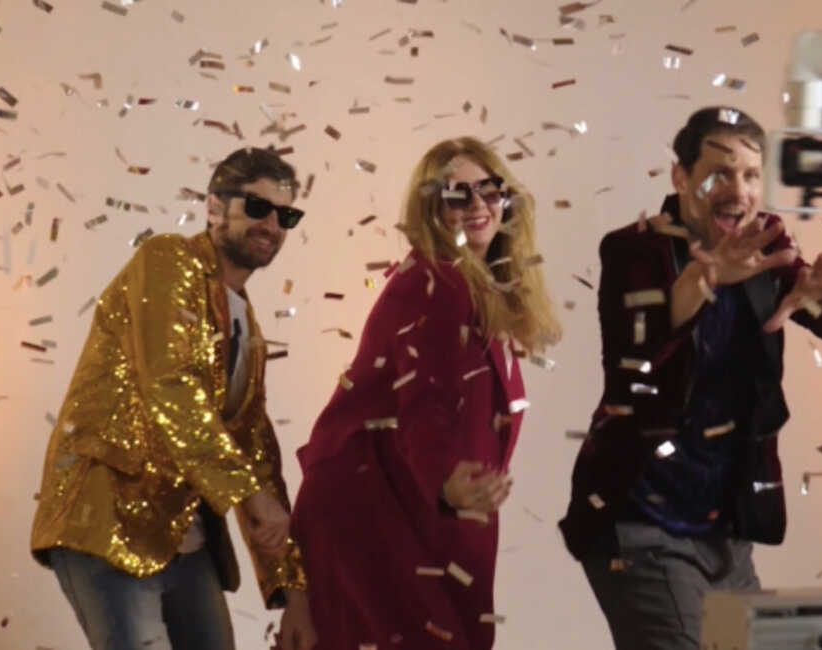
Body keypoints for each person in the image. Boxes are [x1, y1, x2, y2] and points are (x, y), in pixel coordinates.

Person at [558, 106, 822, 649]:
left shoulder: (765, 242)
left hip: (725, 531)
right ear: (681, 177)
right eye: (720, 173)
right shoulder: (634, 249)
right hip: (640, 521)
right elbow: (638, 354)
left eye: (751, 175)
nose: (739, 190)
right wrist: (705, 280)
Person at [30, 147, 317, 650]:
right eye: (257, 207)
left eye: (285, 215)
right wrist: (247, 494)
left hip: (187, 535)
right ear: (214, 207)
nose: (272, 225)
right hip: (109, 519)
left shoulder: (247, 328)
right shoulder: (167, 259)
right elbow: (171, 385)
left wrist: (293, 592)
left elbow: (255, 448)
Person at [291, 136, 562, 649]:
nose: (478, 205)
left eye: (489, 189)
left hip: (422, 510)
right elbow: (424, 402)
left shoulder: (477, 290)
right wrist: (446, 483)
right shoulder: (437, 282)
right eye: (458, 194)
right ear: (431, 210)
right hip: (375, 509)